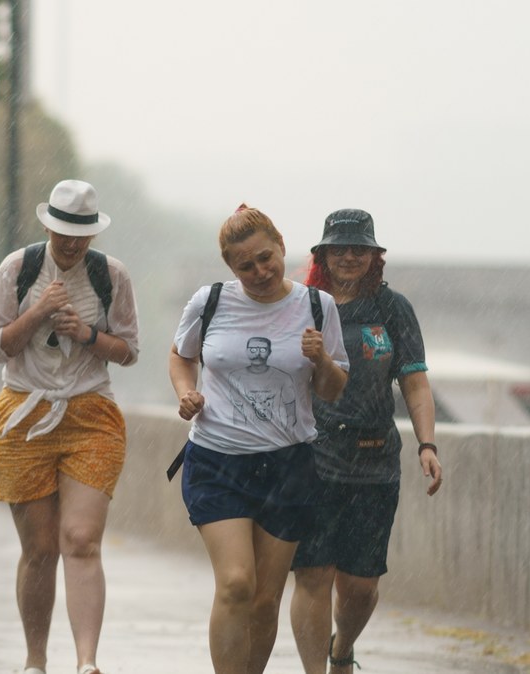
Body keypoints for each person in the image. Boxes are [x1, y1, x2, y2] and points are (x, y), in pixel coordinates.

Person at [168, 204, 349, 674]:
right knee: (235, 584)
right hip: (217, 459)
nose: (260, 271)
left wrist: (321, 361)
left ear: (282, 246)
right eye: (245, 266)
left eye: (265, 258)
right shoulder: (209, 302)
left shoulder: (316, 306)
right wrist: (187, 392)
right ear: (230, 267)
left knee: (265, 601)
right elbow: (180, 356)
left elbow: (331, 391)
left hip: (288, 466)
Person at [0, 179, 140, 674]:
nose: (71, 243)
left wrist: (87, 334)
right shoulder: (17, 269)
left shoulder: (111, 275)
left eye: (81, 234)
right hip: (24, 411)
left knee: (81, 539)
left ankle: (87, 662)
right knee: (41, 549)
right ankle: (35, 660)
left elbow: (129, 350)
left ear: (93, 233)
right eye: (62, 232)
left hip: (91, 413)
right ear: (48, 225)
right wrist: (39, 314)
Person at [288, 209, 443, 674]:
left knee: (360, 586)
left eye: (360, 249)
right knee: (312, 574)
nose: (350, 257)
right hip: (312, 456)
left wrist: (427, 445)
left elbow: (415, 383)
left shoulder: (392, 310)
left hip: (374, 460)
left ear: (375, 257)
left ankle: (342, 651)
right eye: (340, 248)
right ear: (324, 255)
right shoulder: (304, 305)